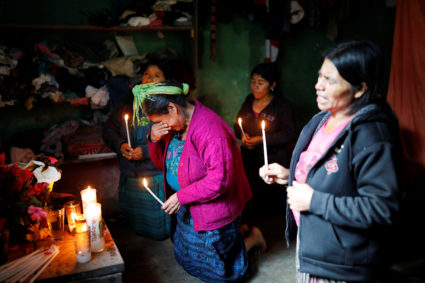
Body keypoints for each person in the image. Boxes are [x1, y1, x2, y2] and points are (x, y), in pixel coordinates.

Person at [259, 40, 402, 282]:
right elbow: (331, 175)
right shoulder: (322, 119)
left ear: (360, 89)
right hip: (313, 246)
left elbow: (382, 209)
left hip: (341, 264)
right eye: (320, 77)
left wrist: (314, 201)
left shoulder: (371, 135)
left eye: (330, 81)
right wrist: (290, 176)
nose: (318, 86)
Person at [132, 81, 266, 282]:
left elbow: (220, 181)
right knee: (187, 259)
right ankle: (237, 234)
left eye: (160, 121)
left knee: (220, 272)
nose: (162, 126)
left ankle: (252, 238)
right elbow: (163, 163)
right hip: (190, 205)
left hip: (213, 206)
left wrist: (181, 196)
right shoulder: (175, 124)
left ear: (172, 107)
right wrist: (153, 139)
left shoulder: (210, 130)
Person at [102, 56, 180, 240]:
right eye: (147, 74)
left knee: (160, 229)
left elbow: (172, 139)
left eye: (156, 75)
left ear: (166, 81)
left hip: (155, 173)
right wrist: (121, 145)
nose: (150, 79)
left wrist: (144, 152)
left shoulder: (169, 106)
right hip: (129, 172)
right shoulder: (127, 103)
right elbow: (108, 129)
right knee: (135, 223)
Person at [234, 62, 296, 218]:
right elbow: (237, 124)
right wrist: (242, 135)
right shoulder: (249, 101)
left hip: (272, 159)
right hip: (248, 157)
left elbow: (289, 133)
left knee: (269, 202)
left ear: (272, 85)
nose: (255, 86)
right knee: (249, 194)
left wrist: (261, 140)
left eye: (260, 83)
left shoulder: (282, 105)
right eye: (253, 82)